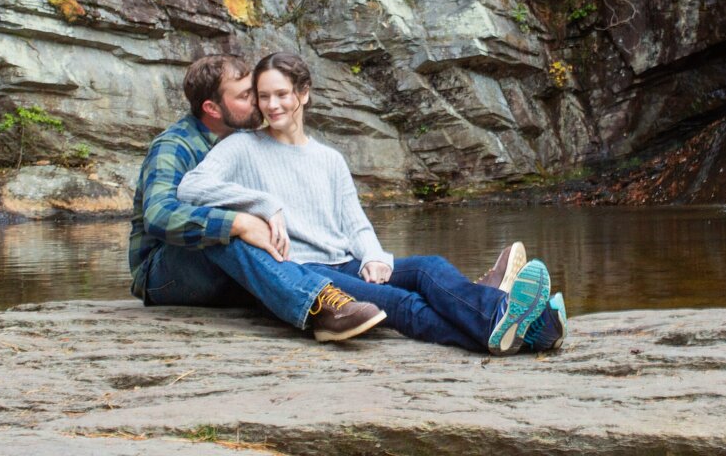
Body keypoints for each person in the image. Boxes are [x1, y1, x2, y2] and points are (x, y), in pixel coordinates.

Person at [176, 51, 568, 355]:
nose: (273, 105)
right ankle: (526, 330)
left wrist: (373, 257)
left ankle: (505, 318)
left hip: (344, 259)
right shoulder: (243, 146)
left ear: (303, 94)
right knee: (402, 302)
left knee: (427, 267)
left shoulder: (329, 158)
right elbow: (191, 187)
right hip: (307, 272)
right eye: (264, 97)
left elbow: (355, 223)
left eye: (281, 94)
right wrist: (263, 202)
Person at [128, 54, 387, 341]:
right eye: (245, 95)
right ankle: (317, 308)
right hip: (165, 274)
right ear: (212, 108)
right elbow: (158, 215)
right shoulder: (174, 146)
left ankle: (348, 298)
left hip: (231, 271)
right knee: (225, 230)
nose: (259, 102)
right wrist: (238, 222)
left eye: (255, 92)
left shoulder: (247, 141)